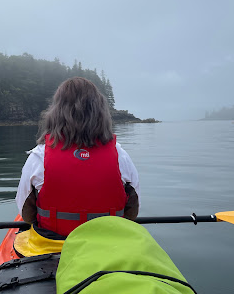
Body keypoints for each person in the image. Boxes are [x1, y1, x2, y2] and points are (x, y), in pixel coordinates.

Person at [15, 77, 140, 239]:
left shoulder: (38, 156)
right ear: (101, 112)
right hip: (109, 243)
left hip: (54, 244)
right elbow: (132, 211)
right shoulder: (120, 155)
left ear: (55, 112)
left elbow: (26, 214)